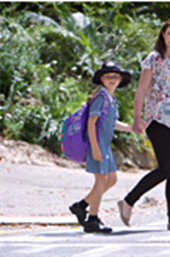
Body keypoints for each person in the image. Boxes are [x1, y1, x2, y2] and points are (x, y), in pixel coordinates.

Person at [117, 18, 170, 230]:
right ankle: (128, 201)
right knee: (166, 168)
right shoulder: (154, 59)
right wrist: (137, 118)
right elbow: (142, 90)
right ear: (163, 35)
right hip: (157, 120)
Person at [69, 60, 134, 233]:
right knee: (101, 180)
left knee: (112, 179)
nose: (112, 79)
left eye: (115, 76)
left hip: (105, 145)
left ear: (120, 80)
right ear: (102, 79)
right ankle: (92, 219)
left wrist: (131, 128)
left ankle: (81, 206)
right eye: (108, 76)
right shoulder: (101, 97)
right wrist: (95, 147)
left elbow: (112, 122)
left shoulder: (111, 99)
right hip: (98, 144)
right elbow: (92, 122)